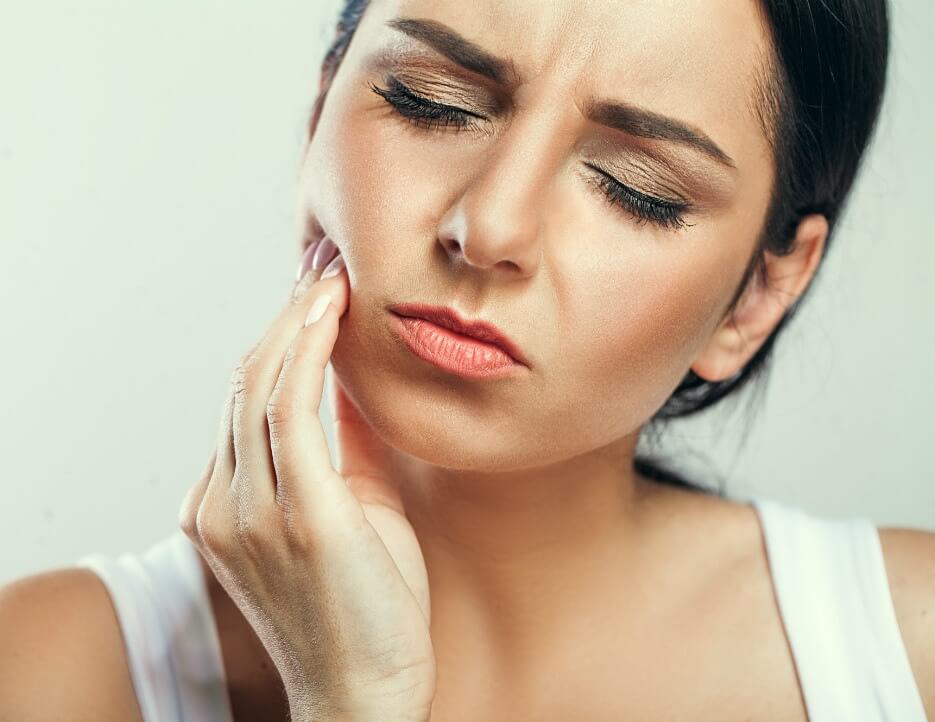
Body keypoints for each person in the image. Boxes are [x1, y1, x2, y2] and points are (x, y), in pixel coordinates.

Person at [1, 0, 932, 720]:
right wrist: (350, 702)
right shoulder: (49, 672)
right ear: (322, 106)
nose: (487, 228)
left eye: (633, 189)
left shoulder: (911, 649)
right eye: (431, 103)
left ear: (761, 294)